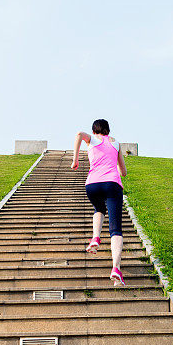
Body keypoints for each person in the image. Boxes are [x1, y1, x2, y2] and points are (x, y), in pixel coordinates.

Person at [71, 118, 128, 286]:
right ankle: (116, 268)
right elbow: (123, 172)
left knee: (99, 209)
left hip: (92, 185)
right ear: (107, 130)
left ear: (94, 130)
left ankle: (95, 238)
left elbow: (79, 134)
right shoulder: (116, 143)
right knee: (115, 229)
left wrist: (75, 160)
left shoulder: (93, 139)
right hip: (112, 184)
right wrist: (117, 170)